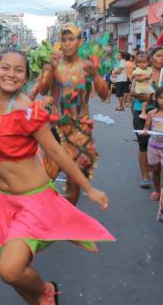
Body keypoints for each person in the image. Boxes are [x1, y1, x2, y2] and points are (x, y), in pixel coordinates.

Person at [0, 49, 114, 305]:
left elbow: (56, 152)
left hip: (33, 203)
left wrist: (88, 188)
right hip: (3, 202)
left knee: (10, 270)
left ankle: (47, 290)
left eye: (18, 70)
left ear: (26, 77)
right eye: (5, 67)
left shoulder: (27, 111)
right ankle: (42, 300)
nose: (11, 74)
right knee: (15, 276)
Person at [36, 24, 109, 205]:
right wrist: (49, 70)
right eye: (64, 40)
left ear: (80, 42)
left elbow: (104, 95)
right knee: (49, 174)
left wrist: (96, 75)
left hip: (79, 128)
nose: (67, 44)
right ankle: (44, 211)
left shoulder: (87, 67)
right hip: (55, 125)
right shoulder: (53, 64)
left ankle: (69, 217)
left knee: (75, 179)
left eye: (71, 39)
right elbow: (43, 90)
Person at [131, 46, 163, 190]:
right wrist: (151, 97)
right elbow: (133, 91)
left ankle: (157, 172)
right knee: (143, 144)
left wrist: (159, 99)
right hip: (142, 112)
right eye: (158, 56)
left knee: (162, 144)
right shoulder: (143, 71)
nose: (161, 59)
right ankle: (145, 176)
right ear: (151, 57)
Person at [132, 52, 155, 119]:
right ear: (137, 63)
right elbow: (137, 79)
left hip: (147, 86)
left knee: (146, 101)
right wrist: (145, 77)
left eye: (144, 62)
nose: (141, 64)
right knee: (155, 95)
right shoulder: (138, 70)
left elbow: (151, 76)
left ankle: (143, 113)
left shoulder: (149, 69)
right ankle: (143, 113)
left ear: (148, 62)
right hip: (142, 88)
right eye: (139, 62)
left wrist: (150, 79)